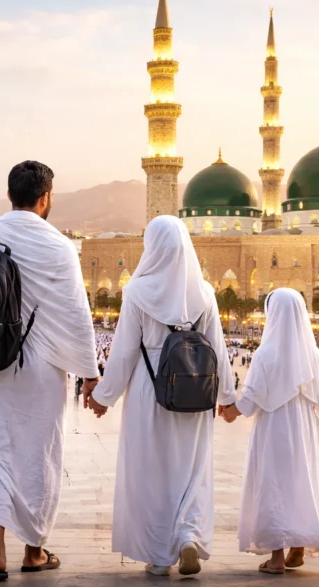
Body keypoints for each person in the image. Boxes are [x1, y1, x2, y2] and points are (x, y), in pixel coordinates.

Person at [0, 161, 100, 582]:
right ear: (45, 199)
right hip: (43, 373)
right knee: (38, 458)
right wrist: (90, 375)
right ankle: (35, 550)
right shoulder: (61, 247)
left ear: (9, 196)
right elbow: (77, 316)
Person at [86, 215, 236, 577]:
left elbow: (123, 352)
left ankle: (159, 555)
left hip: (150, 389)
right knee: (191, 469)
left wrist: (103, 397)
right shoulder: (204, 293)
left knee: (152, 471)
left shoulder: (138, 291)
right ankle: (187, 535)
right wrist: (227, 397)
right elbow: (217, 349)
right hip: (194, 389)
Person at [217, 289, 319, 574]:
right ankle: (297, 548)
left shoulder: (265, 354)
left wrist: (229, 411)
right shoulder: (313, 354)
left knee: (273, 486)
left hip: (273, 430)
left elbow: (250, 399)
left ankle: (276, 557)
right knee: (300, 482)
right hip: (304, 432)